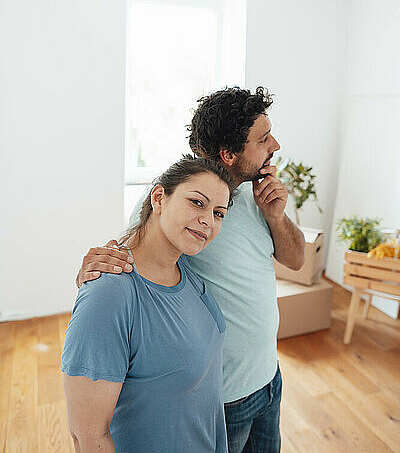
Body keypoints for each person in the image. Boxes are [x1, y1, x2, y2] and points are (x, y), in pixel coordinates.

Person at [77, 86, 305, 453]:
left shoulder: (257, 191)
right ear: (229, 154)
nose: (274, 145)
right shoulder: (176, 197)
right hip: (224, 397)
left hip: (269, 378)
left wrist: (276, 218)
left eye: (218, 212)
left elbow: (295, 260)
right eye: (263, 139)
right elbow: (128, 256)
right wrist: (94, 271)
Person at [62, 155, 235, 453]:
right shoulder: (108, 294)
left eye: (219, 213)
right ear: (159, 198)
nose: (208, 219)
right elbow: (87, 436)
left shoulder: (187, 271)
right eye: (197, 202)